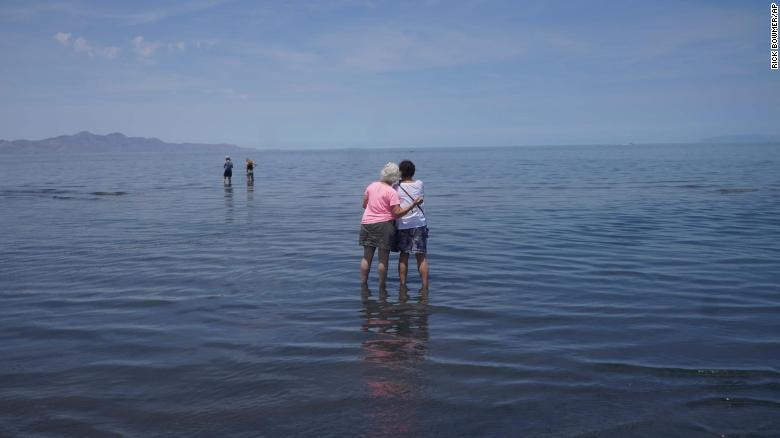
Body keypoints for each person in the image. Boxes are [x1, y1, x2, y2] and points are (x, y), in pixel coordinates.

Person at [360, 162, 423, 292]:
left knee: (366, 257)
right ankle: (382, 287)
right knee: (383, 259)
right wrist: (412, 205)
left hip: (366, 223)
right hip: (384, 225)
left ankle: (363, 285)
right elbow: (397, 212)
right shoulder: (391, 191)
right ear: (396, 176)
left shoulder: (371, 186)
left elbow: (364, 205)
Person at [395, 160, 429, 293]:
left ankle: (403, 285)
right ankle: (425, 286)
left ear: (400, 173)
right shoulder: (420, 184)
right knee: (421, 256)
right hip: (419, 224)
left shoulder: (396, 187)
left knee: (404, 255)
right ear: (413, 172)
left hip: (403, 224)